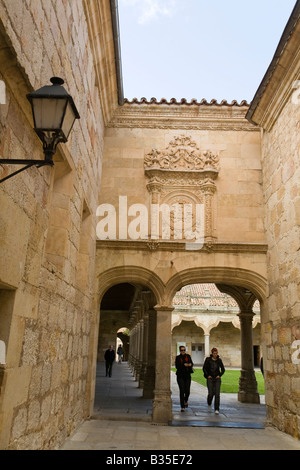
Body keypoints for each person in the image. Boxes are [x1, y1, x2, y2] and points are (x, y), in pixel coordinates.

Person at [203, 347, 225, 415]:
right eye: (214, 353)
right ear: (212, 353)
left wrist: (219, 375)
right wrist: (207, 376)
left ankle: (216, 409)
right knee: (211, 393)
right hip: (210, 378)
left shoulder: (219, 360)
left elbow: (223, 369)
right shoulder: (208, 360)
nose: (215, 354)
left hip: (217, 378)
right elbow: (204, 369)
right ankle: (209, 402)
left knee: (217, 394)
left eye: (216, 353)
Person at [175, 345, 194, 412]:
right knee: (182, 390)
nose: (183, 351)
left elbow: (192, 363)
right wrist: (184, 365)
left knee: (187, 391)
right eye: (181, 350)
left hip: (187, 375)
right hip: (180, 376)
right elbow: (177, 366)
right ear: (180, 351)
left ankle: (185, 400)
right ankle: (182, 406)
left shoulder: (188, 356)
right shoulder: (178, 357)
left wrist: (190, 365)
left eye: (184, 350)